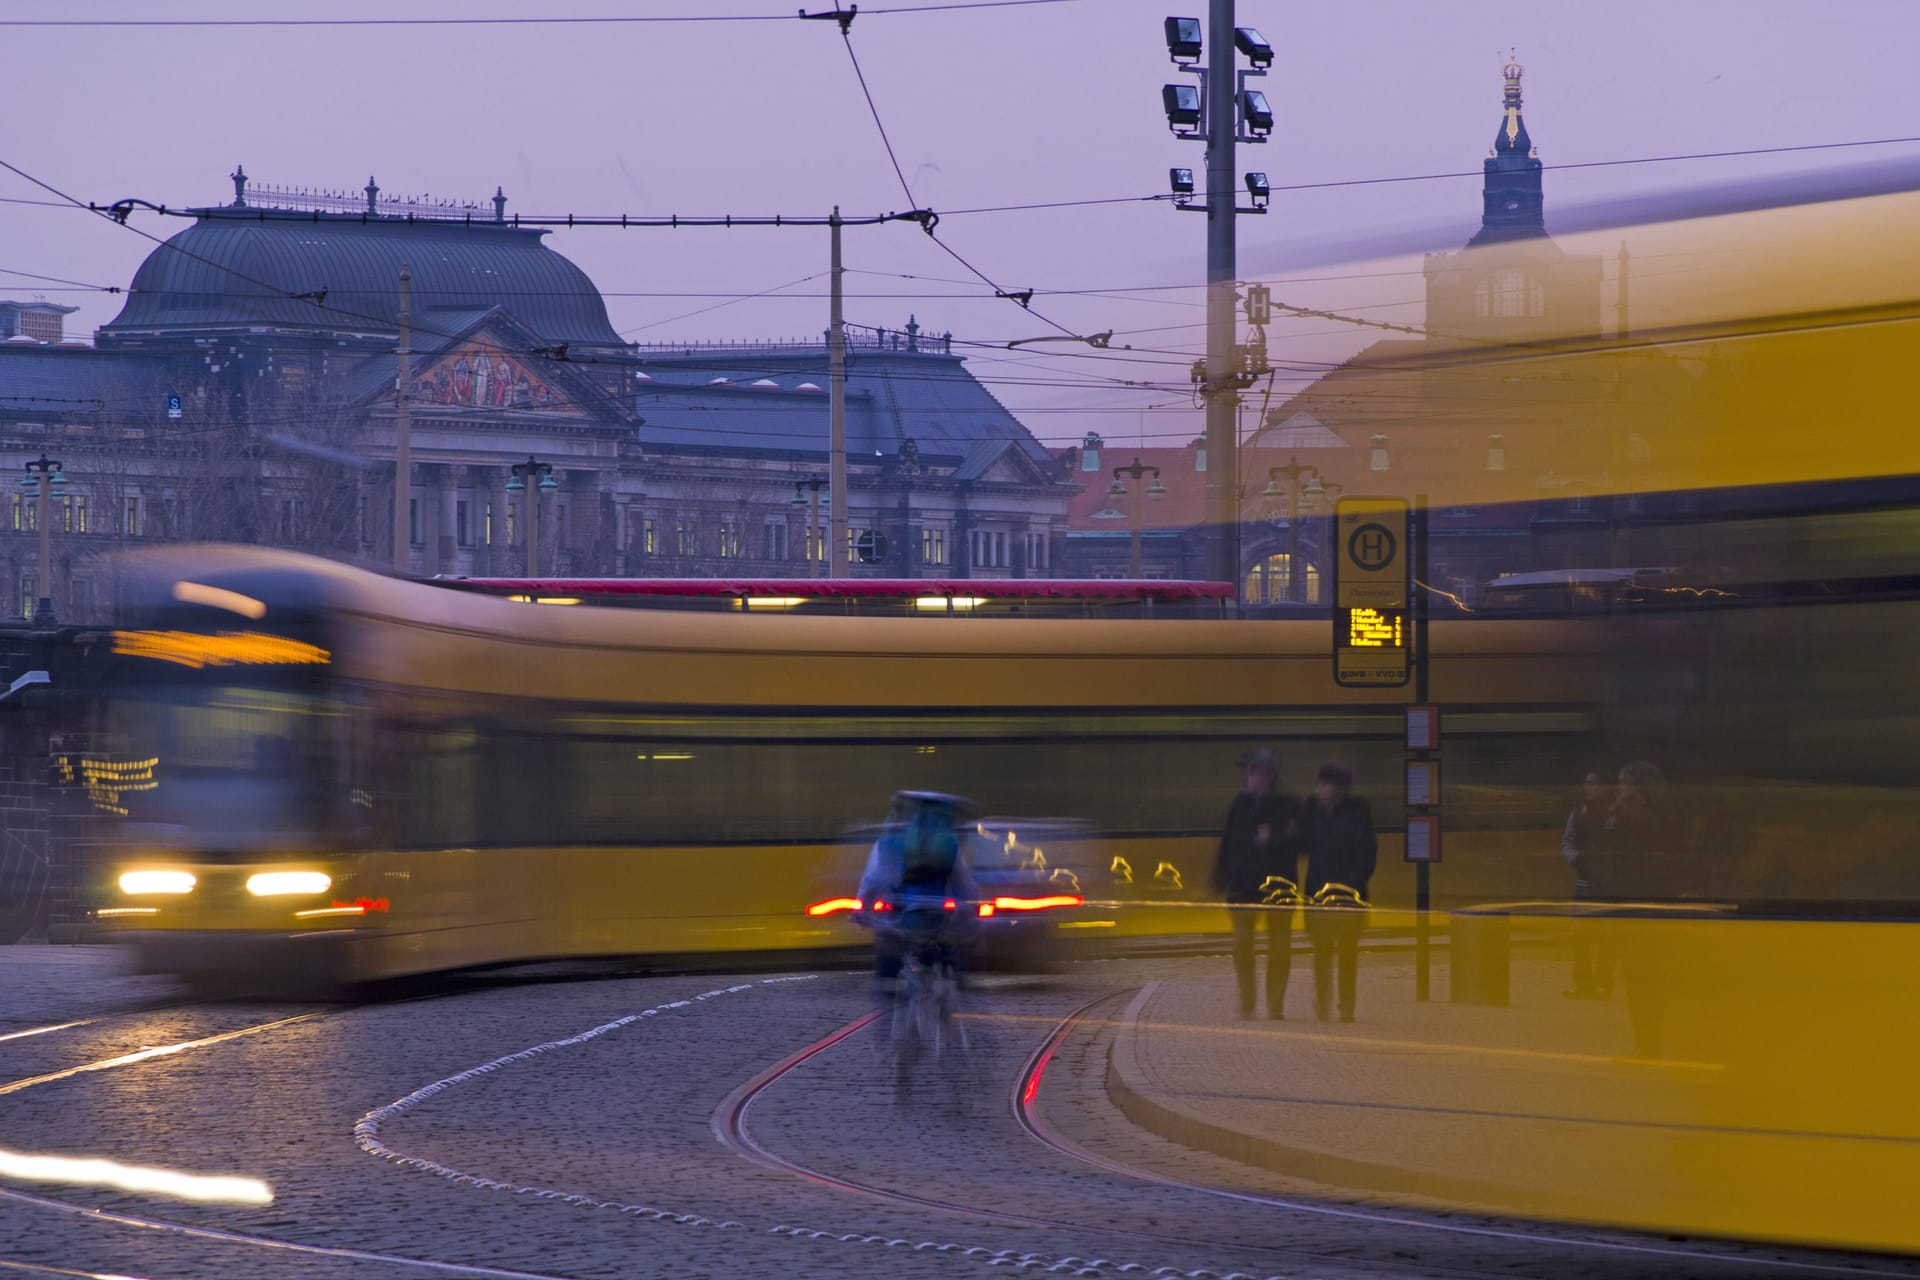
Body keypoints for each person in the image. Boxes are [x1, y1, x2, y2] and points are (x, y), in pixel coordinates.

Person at [854, 792, 980, 1005]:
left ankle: (888, 994)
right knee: (944, 950)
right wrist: (968, 910)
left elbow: (873, 880)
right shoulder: (948, 842)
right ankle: (953, 982)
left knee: (889, 958)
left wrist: (861, 910)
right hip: (938, 914)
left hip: (903, 913)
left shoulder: (888, 842)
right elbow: (964, 884)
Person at [1210, 748, 1300, 1019]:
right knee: (1243, 946)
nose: (1247, 776)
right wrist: (1220, 878)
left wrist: (1272, 839)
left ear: (1269, 775)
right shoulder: (1239, 804)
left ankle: (1275, 1005)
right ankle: (1247, 1003)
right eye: (1247, 771)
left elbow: (1301, 842)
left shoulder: (1288, 805)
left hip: (1278, 889)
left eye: (1253, 771)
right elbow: (1228, 843)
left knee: (1279, 947)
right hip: (1242, 887)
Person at [1301, 763, 1376, 1023]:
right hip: (1317, 897)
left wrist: (1348, 888)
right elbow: (1301, 846)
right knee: (1321, 955)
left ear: (1340, 789)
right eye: (1319, 783)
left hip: (1348, 898)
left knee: (1346, 955)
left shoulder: (1357, 814)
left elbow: (1366, 856)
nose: (1319, 788)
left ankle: (1346, 1008)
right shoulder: (1312, 813)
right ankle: (1322, 1005)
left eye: (1325, 784)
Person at [1563, 768, 1616, 999]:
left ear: (1606, 786)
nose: (1589, 788)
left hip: (1610, 883)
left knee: (1606, 938)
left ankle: (1603, 984)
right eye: (1587, 783)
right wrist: (1575, 857)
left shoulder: (1616, 812)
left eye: (1594, 783)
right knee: (1580, 936)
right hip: (1585, 882)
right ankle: (1584, 983)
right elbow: (1568, 840)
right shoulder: (1579, 812)